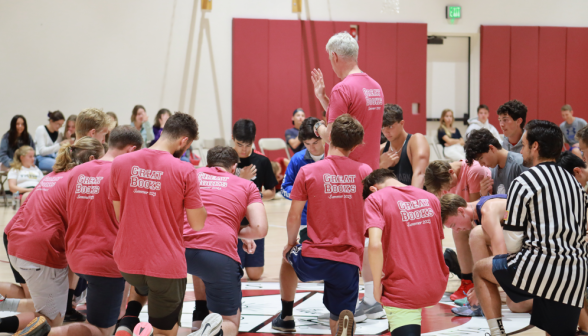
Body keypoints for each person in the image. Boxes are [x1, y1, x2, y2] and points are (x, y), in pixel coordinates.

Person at [474, 120, 588, 336]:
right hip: (575, 273)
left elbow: (513, 241)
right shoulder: (576, 184)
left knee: (481, 269)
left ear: (535, 147)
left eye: (524, 145)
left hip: (537, 267)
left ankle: (497, 333)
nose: (521, 150)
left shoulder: (525, 180)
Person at [33, 126, 142, 336]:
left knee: (100, 318)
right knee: (102, 329)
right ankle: (44, 333)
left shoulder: (77, 171)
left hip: (76, 257)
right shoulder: (123, 173)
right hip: (105, 260)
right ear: (132, 149)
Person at [272, 114, 372, 335]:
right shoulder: (364, 172)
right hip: (348, 260)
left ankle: (286, 315)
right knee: (339, 313)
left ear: (329, 139)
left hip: (313, 257)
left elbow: (293, 216)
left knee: (287, 259)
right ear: (355, 145)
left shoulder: (308, 171)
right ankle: (339, 323)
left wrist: (290, 244)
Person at [111, 112, 207, 336]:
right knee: (165, 331)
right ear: (184, 141)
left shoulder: (121, 162)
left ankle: (128, 320)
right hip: (165, 266)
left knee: (142, 286)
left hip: (127, 261)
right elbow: (197, 224)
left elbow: (119, 215)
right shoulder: (184, 170)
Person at [1, 137, 104, 335]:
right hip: (38, 250)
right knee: (50, 320)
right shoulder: (78, 181)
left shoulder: (54, 175)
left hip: (17, 242)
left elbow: (26, 198)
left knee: (42, 305)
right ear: (92, 158)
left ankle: (4, 308)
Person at [185, 146, 268, 336]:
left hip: (175, 248)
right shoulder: (246, 185)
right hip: (217, 252)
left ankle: (133, 321)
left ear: (207, 164)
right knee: (229, 320)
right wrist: (235, 232)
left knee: (162, 316)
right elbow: (259, 229)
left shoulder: (190, 175)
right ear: (234, 167)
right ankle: (213, 330)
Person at [363, 169, 448, 335]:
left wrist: (375, 285)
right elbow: (437, 241)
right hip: (437, 285)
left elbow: (374, 245)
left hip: (403, 289)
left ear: (373, 189)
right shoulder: (430, 198)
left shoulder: (375, 199)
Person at [440, 194, 531, 317]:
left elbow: (501, 260)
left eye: (453, 225)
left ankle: (482, 301)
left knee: (477, 234)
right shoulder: (480, 212)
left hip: (541, 250)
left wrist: (480, 288)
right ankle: (552, 299)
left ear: (461, 211)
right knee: (516, 305)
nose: (456, 230)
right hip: (528, 248)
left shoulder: (487, 211)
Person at [311, 31, 384, 171]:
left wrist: (318, 127)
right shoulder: (376, 86)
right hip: (371, 170)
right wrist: (322, 97)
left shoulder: (342, 89)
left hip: (347, 174)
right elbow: (349, 116)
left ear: (335, 56)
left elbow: (333, 137)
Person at [424, 159, 490, 302]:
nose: (446, 191)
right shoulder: (443, 181)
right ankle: (467, 281)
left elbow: (475, 211)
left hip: (481, 214)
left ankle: (479, 283)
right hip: (465, 215)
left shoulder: (473, 170)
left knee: (467, 232)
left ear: (451, 172)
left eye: (447, 187)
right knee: (456, 229)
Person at [232, 119, 278, 281]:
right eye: (239, 144)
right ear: (232, 139)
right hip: (231, 222)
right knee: (233, 273)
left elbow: (271, 192)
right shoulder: (225, 159)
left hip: (253, 221)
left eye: (248, 145)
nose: (243, 150)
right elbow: (220, 189)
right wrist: (241, 179)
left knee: (255, 274)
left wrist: (253, 195)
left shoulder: (262, 161)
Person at [281, 117, 324, 244]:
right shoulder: (297, 159)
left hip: (331, 221)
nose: (312, 148)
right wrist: (301, 194)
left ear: (324, 138)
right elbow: (284, 188)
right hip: (304, 222)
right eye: (307, 143)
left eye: (315, 142)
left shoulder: (334, 157)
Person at [464, 129, 527, 196]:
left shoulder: (520, 164)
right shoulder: (493, 170)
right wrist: (484, 195)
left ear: (491, 148)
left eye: (481, 158)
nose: (481, 164)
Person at [380, 104, 430, 188]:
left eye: (390, 126)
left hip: (415, 198)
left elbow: (420, 175)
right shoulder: (381, 149)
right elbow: (372, 182)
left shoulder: (416, 141)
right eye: (382, 127)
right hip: (392, 199)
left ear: (402, 123)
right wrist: (381, 166)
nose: (386, 132)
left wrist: (412, 200)